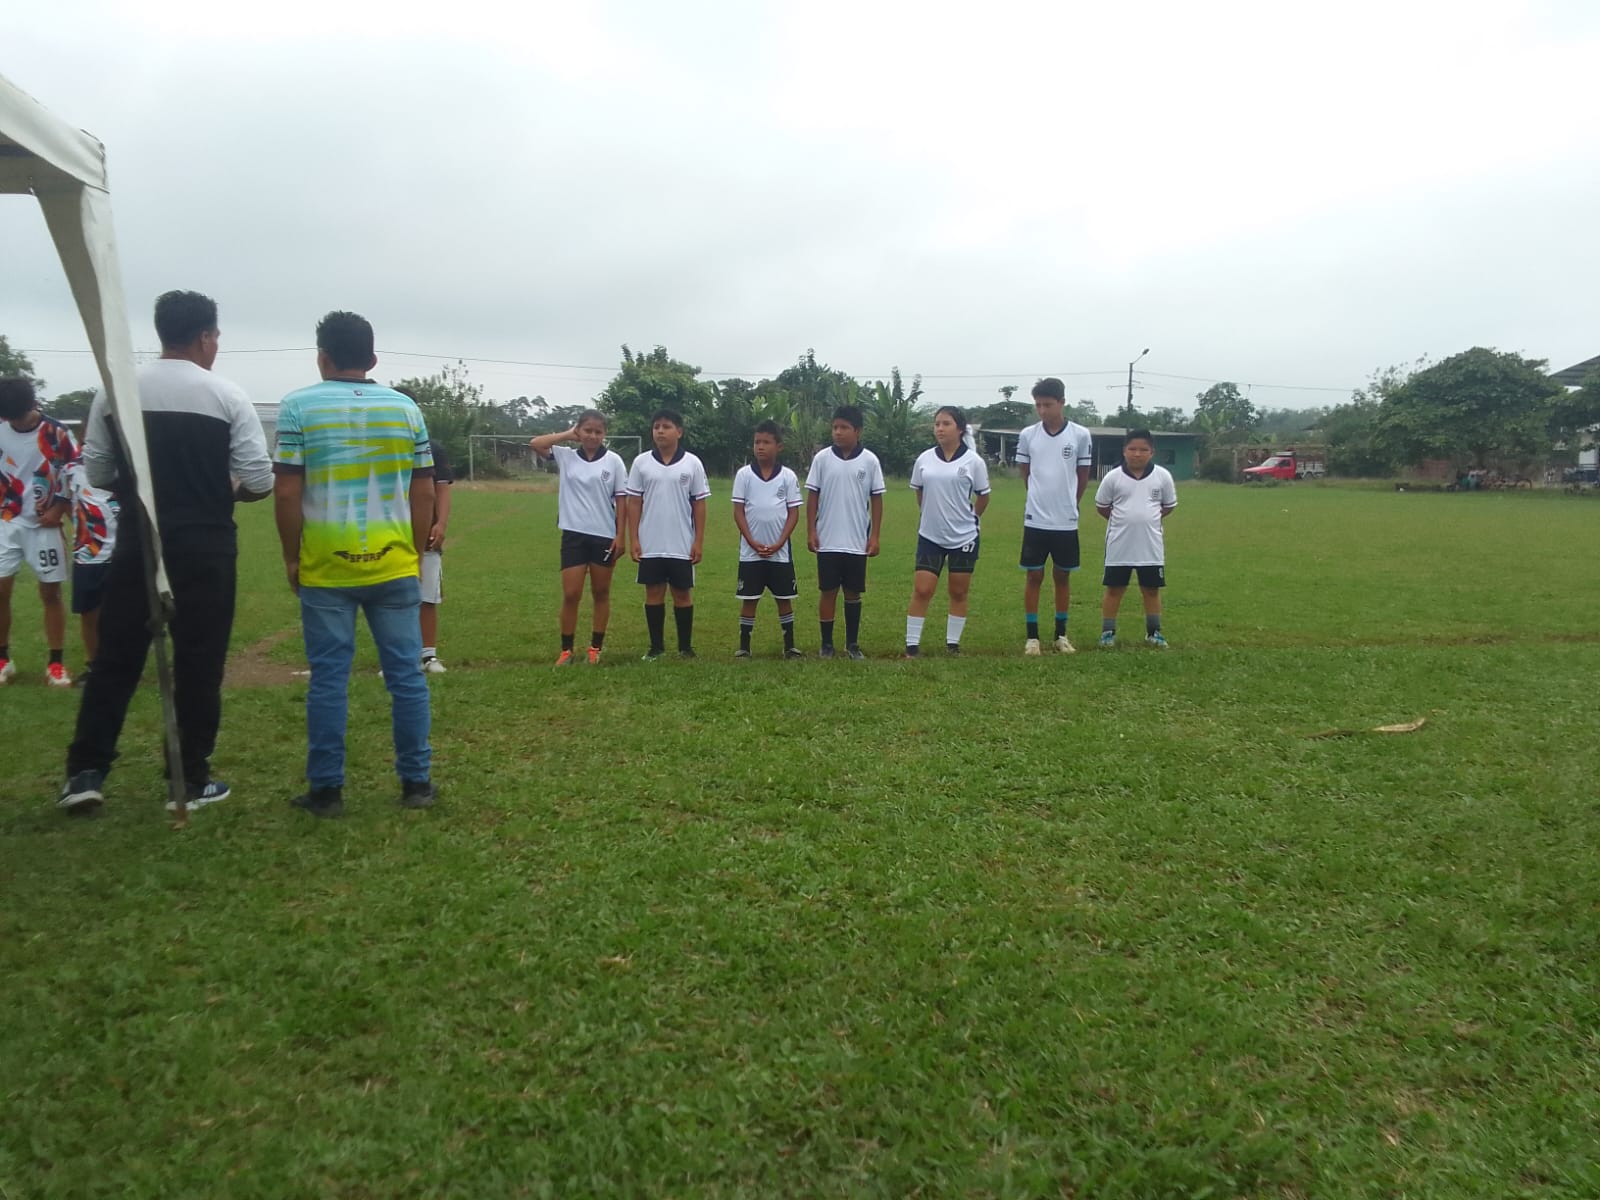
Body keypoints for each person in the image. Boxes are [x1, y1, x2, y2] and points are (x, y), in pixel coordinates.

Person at [59, 290, 273, 813]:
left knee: (115, 659)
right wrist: (225, 490)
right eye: (216, 337)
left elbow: (99, 472)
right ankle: (190, 778)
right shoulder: (227, 395)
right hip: (206, 548)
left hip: (138, 543)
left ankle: (86, 773)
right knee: (199, 662)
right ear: (205, 337)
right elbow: (260, 480)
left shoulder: (117, 391)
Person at [273, 311, 436, 818]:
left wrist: (291, 555)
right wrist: (413, 551)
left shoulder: (298, 407)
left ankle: (326, 791)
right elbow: (424, 490)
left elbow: (286, 490)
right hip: (395, 564)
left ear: (322, 357)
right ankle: (417, 784)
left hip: (327, 565)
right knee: (406, 676)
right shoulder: (405, 408)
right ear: (373, 359)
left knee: (328, 678)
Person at [530, 410, 627, 665]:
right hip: (573, 535)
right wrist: (567, 435)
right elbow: (536, 443)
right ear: (579, 431)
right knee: (571, 593)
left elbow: (622, 500)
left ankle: (595, 648)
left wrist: (621, 535)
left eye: (598, 431)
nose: (592, 436)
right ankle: (566, 650)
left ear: (604, 434)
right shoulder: (566, 456)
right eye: (587, 430)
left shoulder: (614, 461)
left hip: (604, 535)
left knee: (601, 592)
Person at [0, 375, 77, 687]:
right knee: (1, 590)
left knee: (50, 593)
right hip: (7, 521)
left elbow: (76, 474)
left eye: (18, 416)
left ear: (32, 404)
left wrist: (58, 509)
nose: (15, 422)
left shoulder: (57, 433)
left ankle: (55, 664)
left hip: (45, 525)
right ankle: (3, 659)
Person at [1016, 377, 1094, 656]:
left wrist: (1070, 504)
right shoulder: (1028, 435)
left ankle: (1061, 635)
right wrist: (1038, 499)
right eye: (1038, 405)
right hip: (1035, 519)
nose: (1042, 410)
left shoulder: (1080, 435)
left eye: (1047, 404)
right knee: (1034, 575)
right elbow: (1026, 473)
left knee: (1062, 576)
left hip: (1065, 521)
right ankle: (1032, 637)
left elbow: (1082, 476)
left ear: (1061, 402)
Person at [905, 406, 990, 657]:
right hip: (930, 535)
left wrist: (971, 519)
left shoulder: (974, 462)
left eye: (946, 424)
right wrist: (930, 515)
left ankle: (952, 645)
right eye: (937, 424)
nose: (940, 429)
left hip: (964, 537)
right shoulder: (924, 459)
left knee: (958, 591)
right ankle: (911, 646)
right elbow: (919, 491)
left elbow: (983, 496)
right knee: (922, 589)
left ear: (960, 429)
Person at [625, 408, 709, 661]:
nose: (660, 431)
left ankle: (685, 648)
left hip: (681, 542)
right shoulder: (641, 463)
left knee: (682, 594)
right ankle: (656, 648)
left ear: (679, 432)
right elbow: (634, 502)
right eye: (656, 426)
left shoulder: (692, 463)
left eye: (666, 426)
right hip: (650, 542)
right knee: (653, 593)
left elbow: (699, 504)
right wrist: (634, 539)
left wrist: (698, 541)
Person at [804, 404, 884, 660]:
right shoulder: (822, 459)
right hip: (827, 540)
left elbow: (877, 500)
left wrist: (875, 536)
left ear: (857, 431)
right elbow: (812, 496)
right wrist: (811, 530)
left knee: (853, 592)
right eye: (835, 427)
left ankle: (852, 644)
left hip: (856, 540)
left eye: (844, 428)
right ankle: (827, 644)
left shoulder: (870, 461)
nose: (838, 432)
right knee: (828, 591)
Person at [1094, 428, 1177, 648]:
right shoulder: (1113, 477)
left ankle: (1154, 633)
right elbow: (1102, 507)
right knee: (1114, 589)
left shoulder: (1162, 476)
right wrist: (1124, 521)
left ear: (1152, 452)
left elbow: (1168, 506)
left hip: (1150, 545)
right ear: (1124, 451)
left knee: (1151, 590)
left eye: (1143, 450)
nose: (1137, 454)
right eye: (1132, 449)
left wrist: (1148, 519)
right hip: (1119, 544)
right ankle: (1107, 633)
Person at [732, 421, 803, 659]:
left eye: (766, 442)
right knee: (749, 599)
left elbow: (793, 513)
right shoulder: (744, 475)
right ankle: (744, 646)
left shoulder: (788, 476)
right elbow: (738, 511)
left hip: (779, 553)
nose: (760, 447)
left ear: (779, 446)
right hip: (750, 552)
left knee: (784, 598)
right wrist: (752, 542)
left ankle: (789, 646)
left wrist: (780, 542)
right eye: (757, 442)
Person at [60, 455, 119, 687]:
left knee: (124, 611)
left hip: (122, 552)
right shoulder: (71, 468)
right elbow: (65, 501)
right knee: (89, 612)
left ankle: (121, 664)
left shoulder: (124, 465)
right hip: (87, 554)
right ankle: (94, 665)